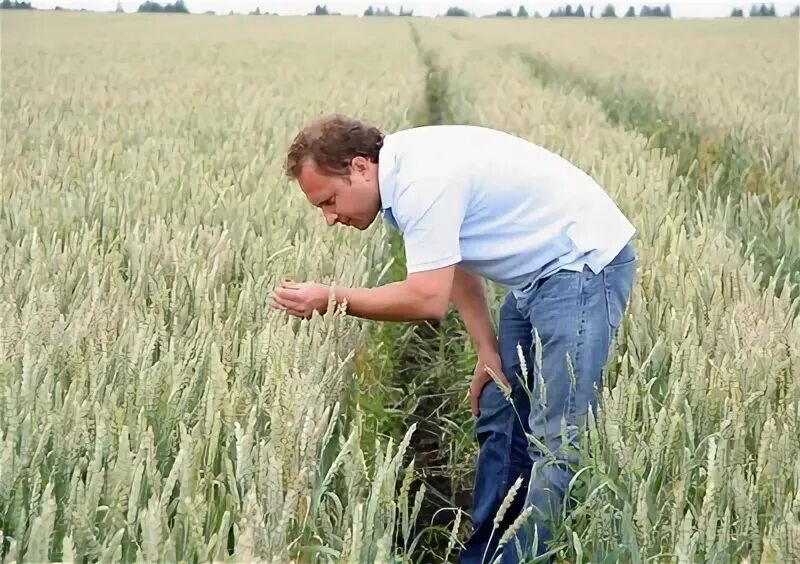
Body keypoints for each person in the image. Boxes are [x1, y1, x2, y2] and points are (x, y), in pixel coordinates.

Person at [270, 114, 638, 563]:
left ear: (361, 167)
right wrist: (486, 348)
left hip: (580, 265)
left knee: (556, 438)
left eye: (329, 200)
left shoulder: (422, 182)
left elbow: (427, 299)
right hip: (536, 277)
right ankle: (484, 554)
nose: (329, 218)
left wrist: (331, 298)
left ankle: (524, 557)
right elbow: (450, 258)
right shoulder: (395, 179)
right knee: (500, 405)